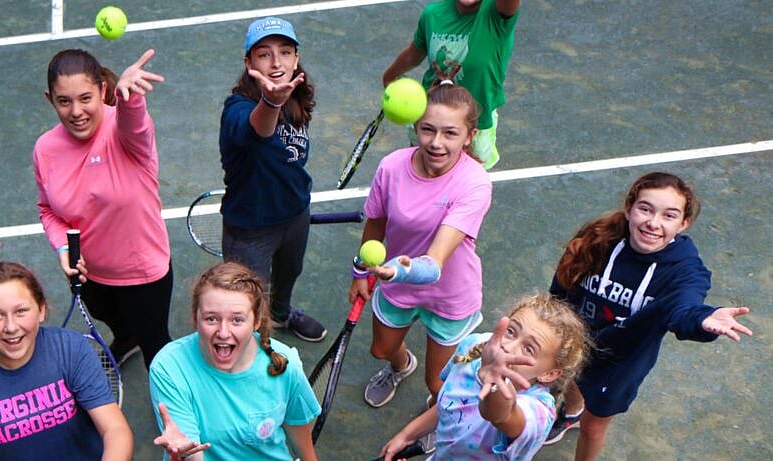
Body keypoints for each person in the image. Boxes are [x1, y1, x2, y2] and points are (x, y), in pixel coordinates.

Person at [543, 172, 753, 460]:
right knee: (573, 380)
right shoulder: (598, 238)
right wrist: (551, 320)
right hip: (576, 340)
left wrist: (702, 320)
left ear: (683, 224)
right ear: (629, 209)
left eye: (669, 215)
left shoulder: (685, 269)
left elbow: (686, 307)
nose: (653, 223)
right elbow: (564, 282)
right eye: (645, 209)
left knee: (593, 427)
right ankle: (571, 413)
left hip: (620, 363)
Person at [351, 81, 492, 412]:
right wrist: (360, 270)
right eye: (428, 130)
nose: (437, 143)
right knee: (381, 351)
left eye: (450, 133)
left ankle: (435, 415)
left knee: (437, 383)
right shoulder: (391, 167)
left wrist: (394, 270)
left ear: (469, 136)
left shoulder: (475, 184)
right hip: (396, 283)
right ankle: (401, 366)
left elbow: (433, 263)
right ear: (415, 126)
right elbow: (375, 222)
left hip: (449, 294)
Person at [34, 48, 172, 369]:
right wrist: (61, 248)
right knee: (112, 320)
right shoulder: (45, 149)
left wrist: (130, 97)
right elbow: (48, 210)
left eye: (86, 98)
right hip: (89, 272)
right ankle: (125, 340)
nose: (76, 111)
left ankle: (172, 412)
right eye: (64, 101)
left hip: (143, 274)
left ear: (103, 91)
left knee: (158, 351)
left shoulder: (123, 133)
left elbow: (134, 124)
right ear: (50, 99)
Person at [0, 262, 133, 460]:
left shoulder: (71, 350)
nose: (11, 327)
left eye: (21, 311)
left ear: (41, 310)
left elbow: (115, 431)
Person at [378, 295, 590, 461]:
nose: (508, 346)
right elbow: (453, 403)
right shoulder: (476, 346)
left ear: (549, 373)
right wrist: (407, 435)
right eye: (511, 332)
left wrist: (494, 383)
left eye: (528, 349)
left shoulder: (540, 413)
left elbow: (498, 415)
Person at [218, 16, 326, 343]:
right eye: (264, 54)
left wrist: (282, 98)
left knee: (289, 274)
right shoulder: (237, 108)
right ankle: (258, 342)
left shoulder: (296, 96)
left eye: (285, 52)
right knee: (247, 300)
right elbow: (259, 129)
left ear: (296, 58)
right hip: (251, 227)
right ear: (249, 62)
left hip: (295, 213)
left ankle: (281, 314)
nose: (276, 62)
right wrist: (271, 100)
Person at [149, 262, 320, 461]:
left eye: (237, 320)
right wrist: (185, 453)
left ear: (256, 322)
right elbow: (193, 454)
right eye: (211, 318)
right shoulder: (168, 368)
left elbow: (301, 439)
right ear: (195, 319)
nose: (223, 332)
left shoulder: (284, 363)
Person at [381, 0, 522, 169]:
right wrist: (390, 76)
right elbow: (413, 54)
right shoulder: (433, 14)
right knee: (421, 176)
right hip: (430, 116)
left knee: (466, 186)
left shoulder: (495, 15)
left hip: (475, 122)